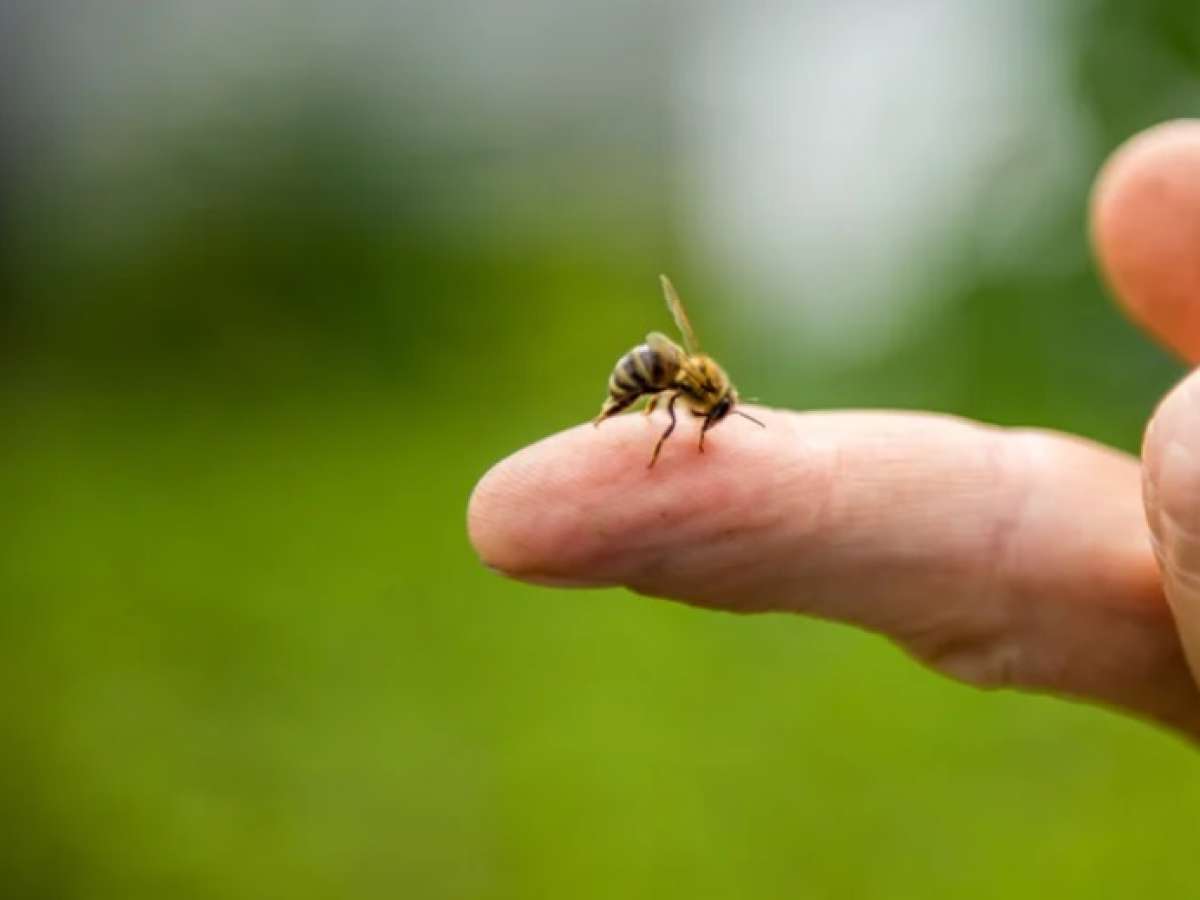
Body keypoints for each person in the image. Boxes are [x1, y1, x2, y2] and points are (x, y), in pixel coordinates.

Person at [468, 120, 1200, 742]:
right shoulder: (686, 385)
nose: (712, 419)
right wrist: (665, 434)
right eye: (715, 414)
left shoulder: (696, 387)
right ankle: (609, 412)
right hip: (651, 378)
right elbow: (662, 391)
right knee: (636, 399)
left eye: (715, 415)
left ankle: (610, 414)